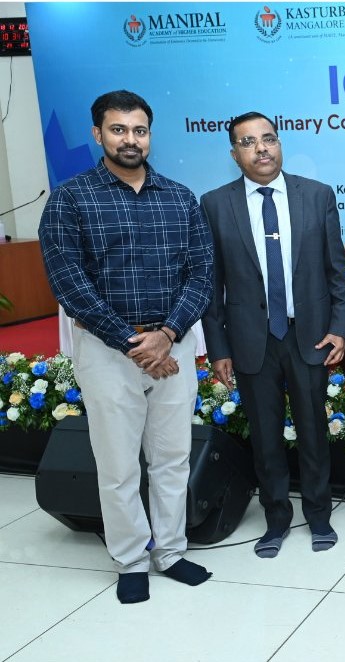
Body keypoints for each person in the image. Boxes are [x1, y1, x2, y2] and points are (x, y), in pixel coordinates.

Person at [38, 90, 214, 603]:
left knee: (172, 458)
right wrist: (131, 341)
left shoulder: (179, 197)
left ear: (149, 135)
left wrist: (168, 335)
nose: (130, 140)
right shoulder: (71, 199)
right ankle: (131, 559)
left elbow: (202, 273)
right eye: (118, 130)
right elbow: (69, 282)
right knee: (118, 466)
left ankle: (171, 552)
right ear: (98, 134)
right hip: (106, 349)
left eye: (139, 130)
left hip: (171, 344)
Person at [201, 112, 345, 559]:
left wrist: (340, 329)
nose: (261, 148)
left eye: (268, 139)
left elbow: (337, 272)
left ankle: (319, 515)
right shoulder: (215, 204)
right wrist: (218, 348)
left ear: (279, 144)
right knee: (266, 439)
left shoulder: (317, 195)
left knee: (313, 431)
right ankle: (276, 520)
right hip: (252, 341)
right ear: (235, 154)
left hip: (309, 336)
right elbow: (211, 285)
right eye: (249, 142)